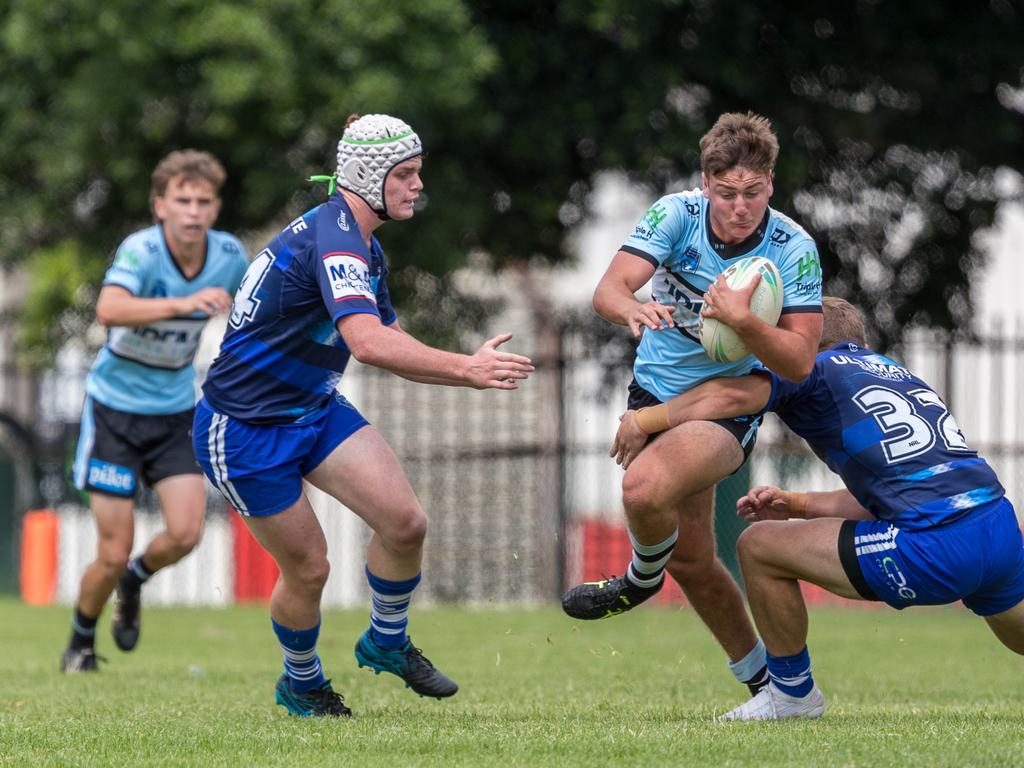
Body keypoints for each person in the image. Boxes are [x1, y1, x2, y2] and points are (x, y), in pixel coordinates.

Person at [192, 113, 534, 718]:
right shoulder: (337, 240)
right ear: (367, 177)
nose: (416, 186)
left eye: (417, 173)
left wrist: (466, 371)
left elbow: (388, 337)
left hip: (314, 407)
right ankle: (301, 682)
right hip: (244, 429)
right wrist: (466, 368)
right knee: (311, 566)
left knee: (405, 524)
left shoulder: (360, 242)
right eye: (404, 175)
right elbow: (370, 345)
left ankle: (386, 640)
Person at [610, 297, 1024, 720]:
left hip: (935, 545)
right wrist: (796, 504)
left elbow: (730, 397)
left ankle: (792, 695)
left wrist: (644, 420)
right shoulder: (895, 373)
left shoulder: (810, 368)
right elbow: (892, 495)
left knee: (758, 547)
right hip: (997, 525)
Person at [561, 112, 823, 697]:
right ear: (705, 183)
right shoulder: (674, 215)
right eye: (727, 193)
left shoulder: (793, 247)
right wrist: (630, 308)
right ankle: (768, 687)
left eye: (753, 192)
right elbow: (609, 289)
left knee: (644, 489)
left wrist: (744, 324)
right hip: (654, 388)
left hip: (726, 406)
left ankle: (639, 577)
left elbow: (800, 362)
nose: (740, 206)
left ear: (771, 184)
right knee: (696, 561)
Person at [62, 151, 249, 673]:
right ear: (160, 205)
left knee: (187, 532)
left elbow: (258, 305)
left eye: (203, 202)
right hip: (115, 414)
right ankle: (80, 641)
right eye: (182, 200)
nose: (193, 211)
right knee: (112, 548)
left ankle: (135, 580)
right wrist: (184, 304)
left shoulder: (230, 255)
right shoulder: (141, 252)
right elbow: (109, 309)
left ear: (215, 208)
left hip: (173, 413)